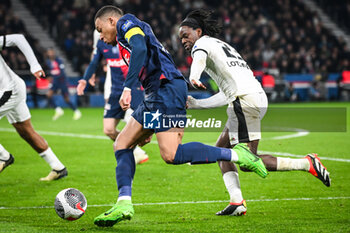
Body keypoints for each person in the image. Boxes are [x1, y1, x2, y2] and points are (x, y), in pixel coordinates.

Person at [92, 5, 268, 227]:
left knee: (171, 154)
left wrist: (128, 87)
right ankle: (124, 203)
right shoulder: (122, 39)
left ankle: (240, 156)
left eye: (100, 29)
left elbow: (140, 47)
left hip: (166, 89)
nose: (100, 35)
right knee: (122, 143)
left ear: (111, 21)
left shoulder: (126, 22)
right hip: (156, 93)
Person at [179, 10, 331, 215]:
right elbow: (226, 94)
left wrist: (194, 76)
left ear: (198, 31)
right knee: (222, 152)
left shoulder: (203, 45)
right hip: (250, 97)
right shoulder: (222, 47)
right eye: (181, 38)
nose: (183, 40)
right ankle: (236, 202)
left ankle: (307, 163)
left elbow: (198, 57)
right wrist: (197, 104)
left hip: (245, 101)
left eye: (186, 35)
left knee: (248, 160)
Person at [0, 34, 68, 181]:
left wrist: (34, 65)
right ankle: (58, 167)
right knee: (26, 132)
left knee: (26, 131)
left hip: (9, 90)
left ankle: (3, 157)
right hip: (10, 89)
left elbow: (18, 38)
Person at [77, 30, 148, 164]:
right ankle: (136, 151)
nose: (101, 36)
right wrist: (85, 79)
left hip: (134, 88)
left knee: (144, 126)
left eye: (101, 31)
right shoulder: (102, 44)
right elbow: (93, 63)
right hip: (115, 90)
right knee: (108, 129)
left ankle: (174, 145)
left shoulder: (129, 40)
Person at [45, 48, 81, 120]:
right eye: (49, 52)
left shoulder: (58, 60)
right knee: (48, 95)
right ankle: (58, 110)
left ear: (54, 52)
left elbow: (62, 72)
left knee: (66, 99)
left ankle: (76, 111)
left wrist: (54, 78)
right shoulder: (48, 62)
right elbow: (52, 71)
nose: (51, 54)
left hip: (62, 81)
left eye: (51, 52)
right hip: (55, 81)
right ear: (47, 54)